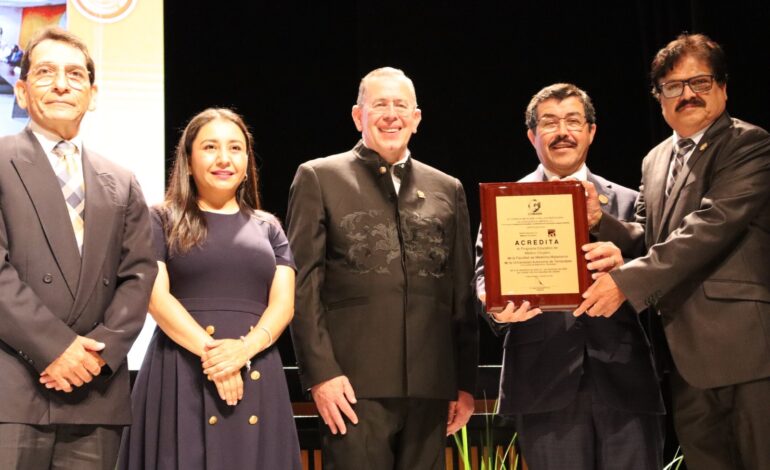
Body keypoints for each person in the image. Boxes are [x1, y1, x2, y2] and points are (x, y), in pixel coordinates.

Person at [576, 33, 770, 469]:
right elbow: (649, 233)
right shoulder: (655, 159)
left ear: (722, 86)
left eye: (699, 82)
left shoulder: (749, 145)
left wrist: (625, 282)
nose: (687, 95)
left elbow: (710, 228)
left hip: (746, 351)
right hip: (682, 356)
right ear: (658, 98)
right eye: (673, 87)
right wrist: (598, 223)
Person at [286, 67, 478, 469]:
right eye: (380, 105)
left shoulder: (448, 188)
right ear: (358, 116)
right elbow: (303, 287)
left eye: (400, 105)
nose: (391, 114)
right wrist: (321, 374)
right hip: (351, 386)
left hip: (431, 384)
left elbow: (459, 292)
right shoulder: (318, 177)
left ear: (416, 118)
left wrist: (463, 382)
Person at [473, 83, 664, 469]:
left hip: (625, 379)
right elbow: (483, 277)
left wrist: (624, 268)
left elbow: (661, 274)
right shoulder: (505, 202)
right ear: (532, 135)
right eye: (549, 123)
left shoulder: (631, 202)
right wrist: (495, 308)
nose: (563, 132)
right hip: (543, 381)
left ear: (591, 131)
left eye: (573, 121)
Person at [0, 27, 157, 469]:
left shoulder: (121, 181)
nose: (62, 84)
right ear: (22, 90)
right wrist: (56, 349)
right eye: (46, 72)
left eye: (74, 74)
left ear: (93, 93)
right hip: (13, 388)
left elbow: (139, 276)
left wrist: (95, 357)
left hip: (95, 391)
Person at [118, 108, 301, 469]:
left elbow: (284, 305)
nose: (223, 159)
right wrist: (218, 358)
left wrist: (244, 351)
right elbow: (156, 297)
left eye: (235, 148)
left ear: (247, 161)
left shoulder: (269, 227)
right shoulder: (160, 218)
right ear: (187, 161)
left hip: (257, 370)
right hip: (181, 369)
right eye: (210, 147)